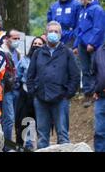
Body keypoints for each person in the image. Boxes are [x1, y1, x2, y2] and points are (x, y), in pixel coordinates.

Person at [27, 21, 80, 149]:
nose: (53, 34)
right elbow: (30, 76)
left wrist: (67, 94)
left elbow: (75, 76)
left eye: (56, 31)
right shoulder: (38, 53)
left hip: (60, 99)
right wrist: (34, 91)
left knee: (63, 134)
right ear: (46, 34)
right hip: (41, 99)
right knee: (42, 136)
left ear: (60, 35)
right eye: (51, 31)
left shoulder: (67, 52)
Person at [73, 0, 105, 108]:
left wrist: (92, 43)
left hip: (93, 45)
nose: (78, 0)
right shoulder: (82, 10)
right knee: (85, 69)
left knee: (94, 68)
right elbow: (79, 29)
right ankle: (88, 93)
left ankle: (97, 92)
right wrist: (76, 44)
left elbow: (99, 28)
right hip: (82, 44)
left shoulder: (97, 9)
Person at [0, 29, 22, 151]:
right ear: (7, 39)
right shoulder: (1, 51)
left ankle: (10, 143)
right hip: (5, 89)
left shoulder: (18, 53)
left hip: (16, 88)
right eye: (14, 38)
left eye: (18, 38)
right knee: (8, 119)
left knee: (13, 118)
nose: (16, 41)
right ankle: (6, 146)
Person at [15, 36, 45, 150]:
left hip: (40, 95)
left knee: (39, 124)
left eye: (39, 44)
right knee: (22, 123)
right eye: (35, 43)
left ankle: (36, 148)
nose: (36, 46)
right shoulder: (24, 60)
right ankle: (19, 147)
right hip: (25, 94)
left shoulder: (47, 61)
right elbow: (17, 76)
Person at [92, 43, 105, 152]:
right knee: (99, 131)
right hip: (100, 98)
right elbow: (93, 72)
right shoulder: (99, 51)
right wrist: (95, 89)